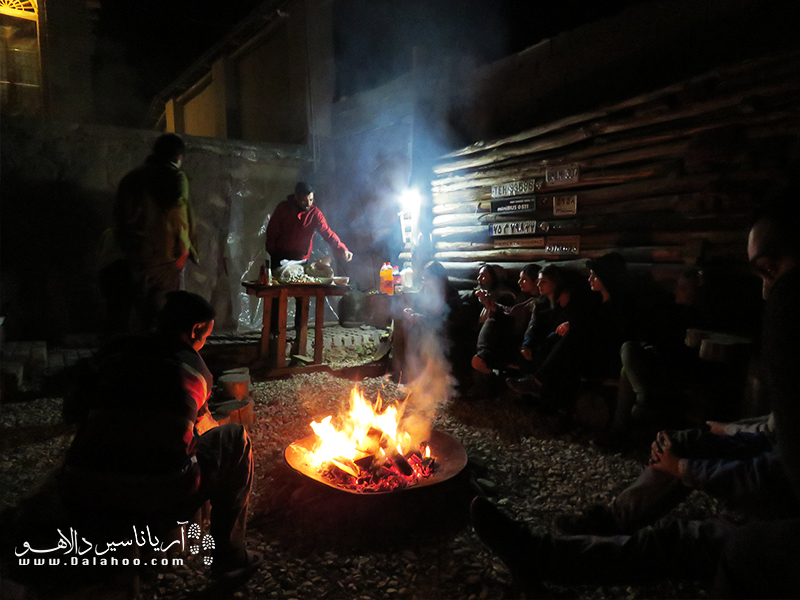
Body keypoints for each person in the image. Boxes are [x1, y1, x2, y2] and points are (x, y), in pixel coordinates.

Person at [470, 197, 800, 597]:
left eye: (769, 271)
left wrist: (685, 470)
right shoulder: (569, 304)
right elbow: (776, 433)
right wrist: (729, 429)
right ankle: (610, 517)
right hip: (597, 356)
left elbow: (777, 468)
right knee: (678, 434)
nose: (767, 294)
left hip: (620, 360)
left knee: (700, 540)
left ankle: (548, 554)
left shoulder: (624, 304)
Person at [59, 291, 262, 579]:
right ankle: (230, 557)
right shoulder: (195, 369)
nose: (204, 344)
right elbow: (204, 429)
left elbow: (72, 412)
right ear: (195, 330)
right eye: (207, 336)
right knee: (236, 440)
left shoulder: (114, 349)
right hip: (156, 498)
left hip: (78, 492)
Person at [113, 133, 198, 332]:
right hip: (164, 259)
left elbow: (118, 217)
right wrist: (183, 253)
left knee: (138, 318)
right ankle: (160, 360)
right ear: (178, 157)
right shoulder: (175, 177)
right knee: (163, 318)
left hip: (134, 257)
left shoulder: (131, 178)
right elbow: (179, 217)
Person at [471, 263, 541, 376]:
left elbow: (518, 315)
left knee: (494, 318)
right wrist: (492, 305)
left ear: (536, 281)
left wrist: (495, 307)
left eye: (524, 280)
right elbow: (513, 310)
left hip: (519, 337)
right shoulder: (524, 297)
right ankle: (483, 356)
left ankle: (484, 356)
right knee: (493, 315)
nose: (519, 282)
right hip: (512, 332)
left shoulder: (536, 302)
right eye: (519, 279)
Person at [265, 181, 353, 268]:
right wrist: (272, 252)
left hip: (301, 260)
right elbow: (271, 230)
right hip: (280, 258)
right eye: (304, 201)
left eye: (311, 200)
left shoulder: (315, 214)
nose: (308, 204)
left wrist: (342, 249)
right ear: (296, 196)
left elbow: (327, 233)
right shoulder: (283, 208)